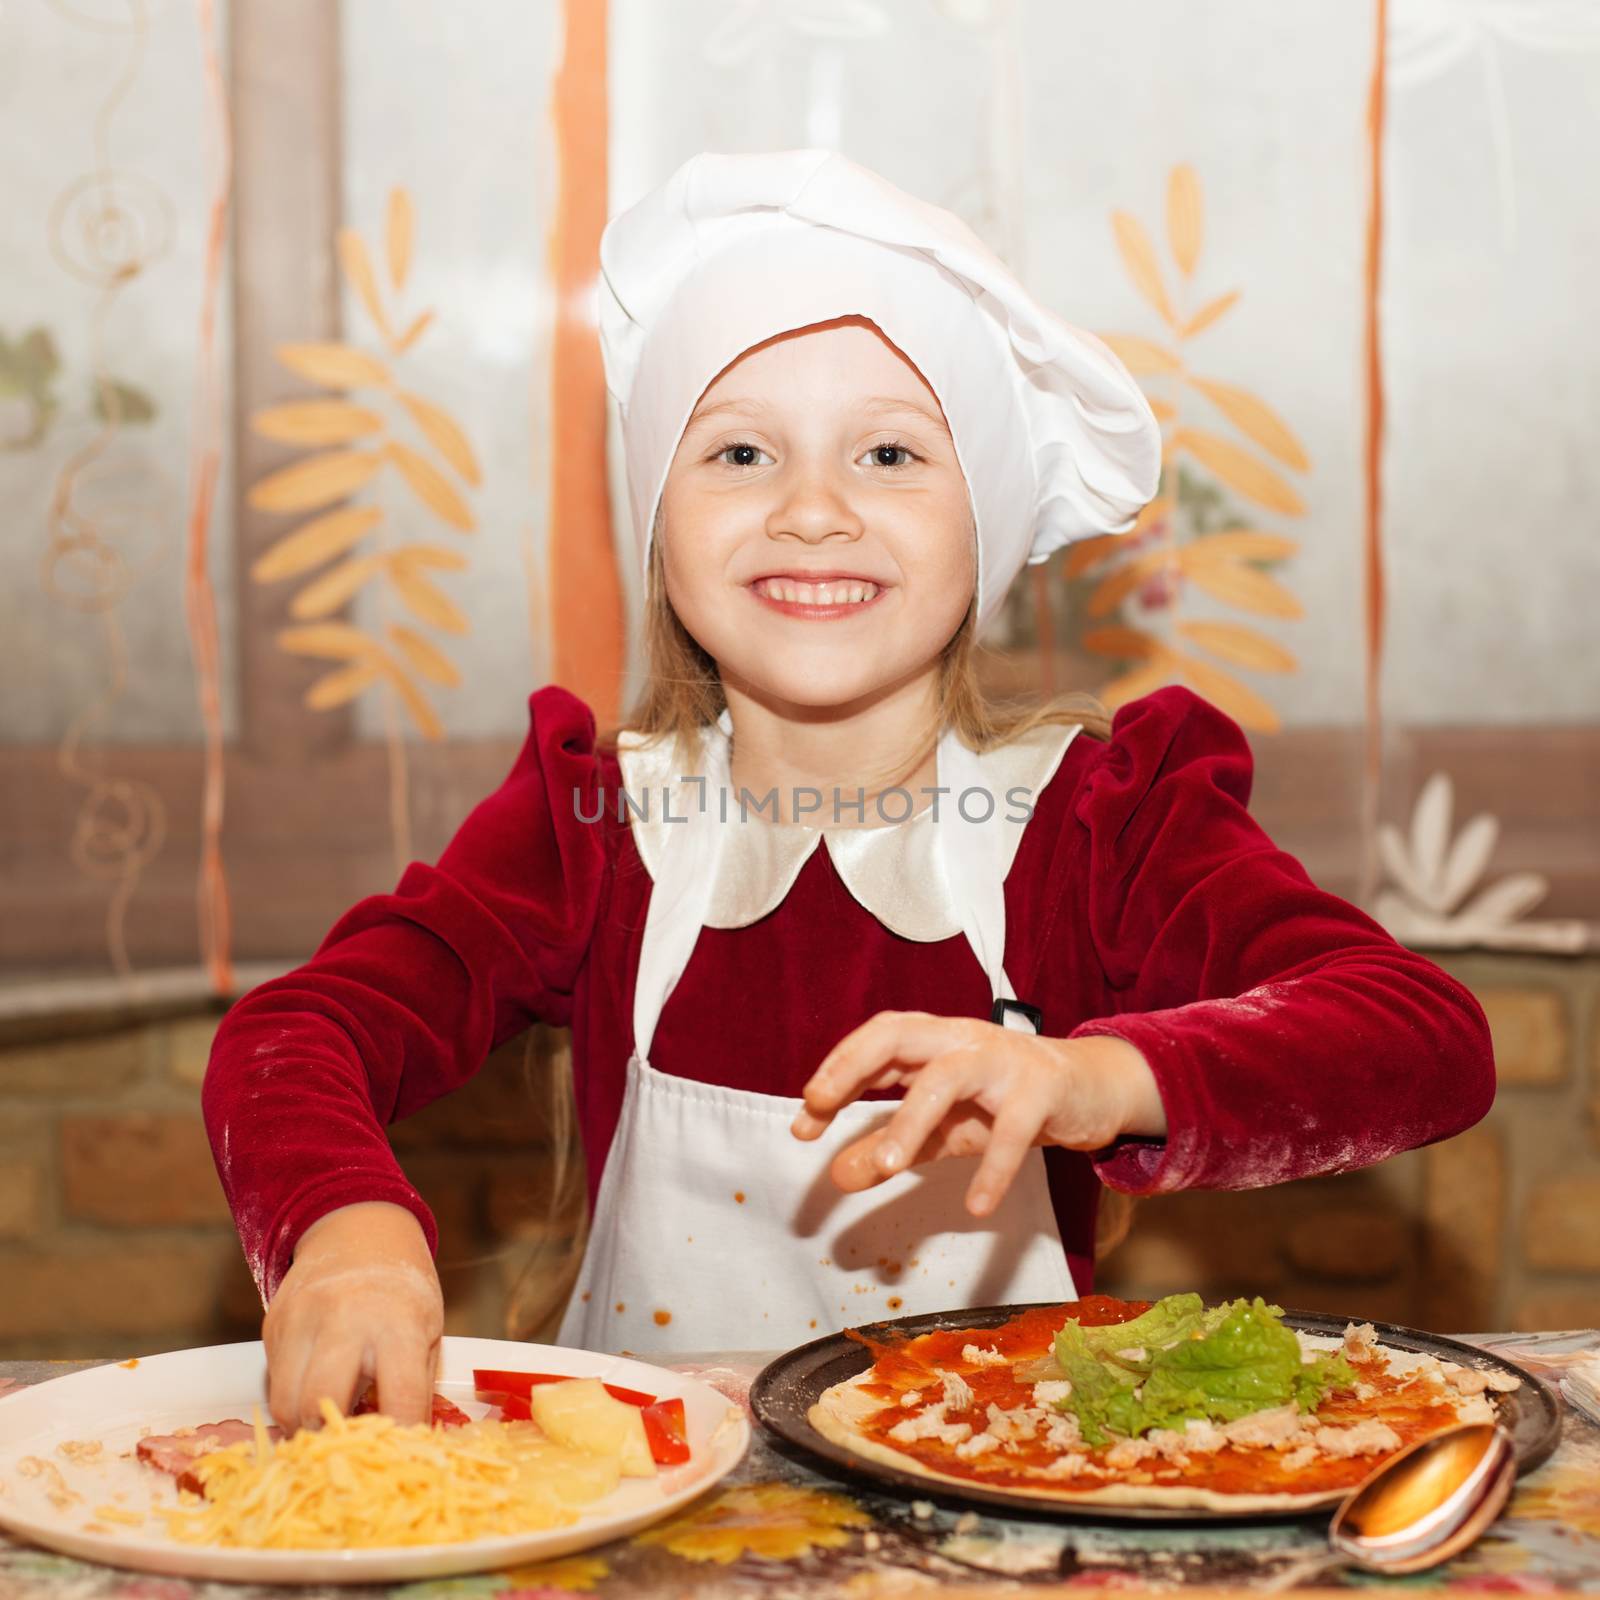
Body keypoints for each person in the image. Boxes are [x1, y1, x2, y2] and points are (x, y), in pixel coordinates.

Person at [202, 149, 1495, 1433]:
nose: (814, 510)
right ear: (659, 523)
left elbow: (1419, 1041)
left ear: (982, 517)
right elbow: (295, 1037)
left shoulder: (1102, 818)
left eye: (888, 453)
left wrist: (1099, 1078)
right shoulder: (595, 826)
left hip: (999, 1507)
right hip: (655, 1505)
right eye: (741, 453)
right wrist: (345, 1228)